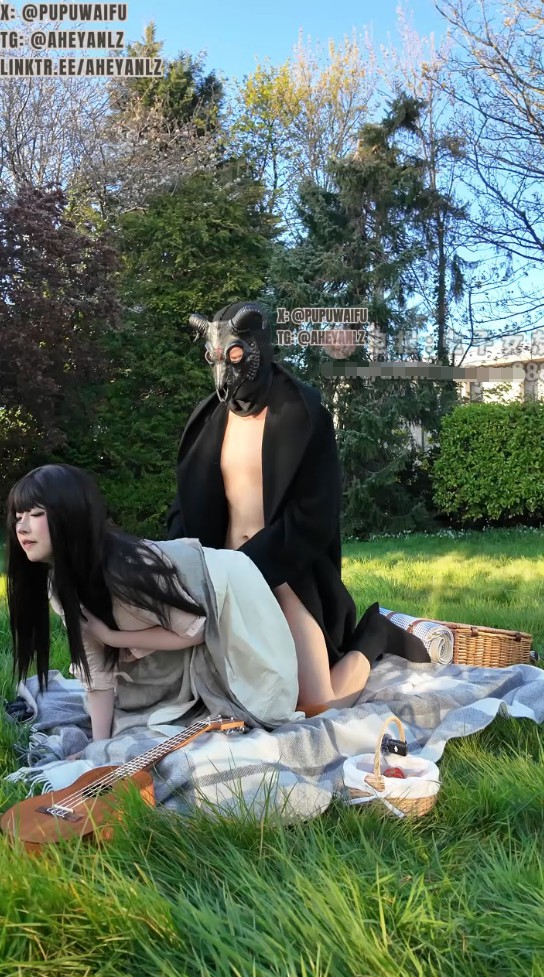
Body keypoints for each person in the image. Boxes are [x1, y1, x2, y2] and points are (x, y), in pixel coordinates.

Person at [167, 301, 429, 715]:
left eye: (234, 355)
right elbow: (186, 502)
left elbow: (315, 516)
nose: (224, 370)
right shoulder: (207, 422)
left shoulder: (303, 416)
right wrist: (181, 567)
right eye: (214, 357)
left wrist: (247, 569)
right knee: (215, 698)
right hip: (221, 580)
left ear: (256, 348)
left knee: (318, 704)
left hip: (284, 573)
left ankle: (376, 633)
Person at [6, 464, 303, 742]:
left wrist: (112, 637)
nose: (22, 527)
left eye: (36, 514)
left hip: (231, 595)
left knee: (251, 711)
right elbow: (97, 673)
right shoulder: (60, 587)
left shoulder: (128, 570)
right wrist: (97, 747)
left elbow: (196, 630)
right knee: (138, 717)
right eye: (18, 517)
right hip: (185, 618)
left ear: (70, 515)